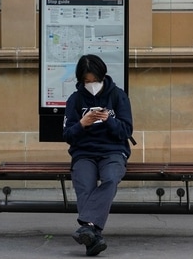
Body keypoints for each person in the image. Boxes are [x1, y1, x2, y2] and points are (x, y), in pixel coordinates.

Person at [63, 54, 133, 256]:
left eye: (95, 81)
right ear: (81, 81)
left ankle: (87, 229)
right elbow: (68, 135)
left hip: (113, 151)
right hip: (84, 152)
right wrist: (82, 124)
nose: (91, 85)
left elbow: (126, 131)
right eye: (87, 81)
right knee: (84, 185)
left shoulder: (118, 96)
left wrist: (109, 120)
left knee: (111, 178)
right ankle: (93, 237)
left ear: (103, 77)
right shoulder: (75, 100)